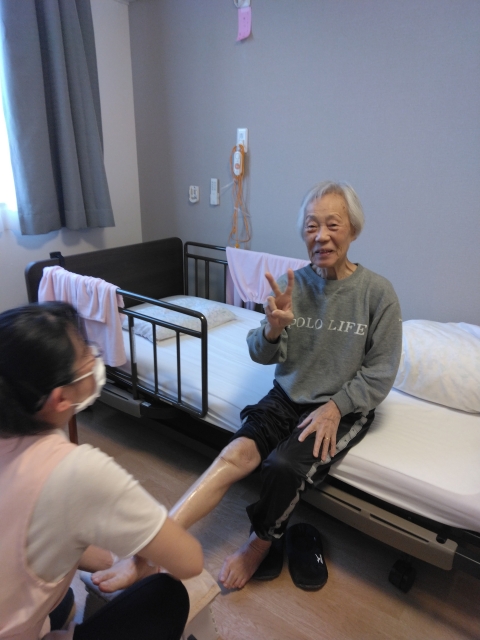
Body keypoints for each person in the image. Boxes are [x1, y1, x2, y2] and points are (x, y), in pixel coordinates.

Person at [97, 180, 402, 592]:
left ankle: (259, 543)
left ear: (353, 230)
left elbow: (381, 371)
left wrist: (336, 407)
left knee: (282, 465)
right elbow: (260, 353)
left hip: (340, 406)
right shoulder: (292, 285)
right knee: (233, 454)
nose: (321, 236)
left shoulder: (377, 293)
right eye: (311, 226)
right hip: (288, 394)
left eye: (333, 224)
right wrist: (272, 329)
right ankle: (149, 553)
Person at [0, 302, 203, 640]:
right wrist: (142, 558)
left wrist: (113, 559)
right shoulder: (76, 471)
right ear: (59, 398)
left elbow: (42, 534)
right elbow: (189, 560)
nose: (95, 356)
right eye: (85, 352)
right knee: (166, 595)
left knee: (61, 597)